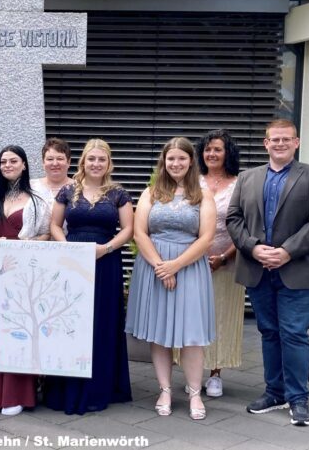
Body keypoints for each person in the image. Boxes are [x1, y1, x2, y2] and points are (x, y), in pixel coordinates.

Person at [227, 119, 309, 427]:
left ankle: (298, 398)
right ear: (265, 143)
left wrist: (287, 251)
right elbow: (234, 218)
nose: (280, 144)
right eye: (274, 139)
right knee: (269, 332)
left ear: (296, 142)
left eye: (286, 139)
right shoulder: (247, 178)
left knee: (294, 334)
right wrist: (253, 247)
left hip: (298, 268)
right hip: (257, 267)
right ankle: (274, 392)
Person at [125, 138, 216, 420]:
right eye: (171, 159)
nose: (176, 163)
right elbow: (139, 233)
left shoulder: (203, 194)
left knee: (191, 335)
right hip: (154, 267)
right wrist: (160, 266)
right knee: (159, 332)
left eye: (181, 159)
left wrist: (175, 266)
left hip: (189, 268)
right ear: (164, 162)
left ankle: (194, 392)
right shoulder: (150, 192)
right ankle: (164, 389)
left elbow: (207, 237)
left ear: (191, 162)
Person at [43, 138, 134, 415]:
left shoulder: (119, 193)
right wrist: (67, 249)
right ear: (83, 161)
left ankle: (99, 387)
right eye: (91, 159)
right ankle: (65, 386)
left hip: (105, 262)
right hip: (71, 263)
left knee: (101, 322)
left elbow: (128, 230)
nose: (96, 164)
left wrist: (105, 249)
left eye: (101, 159)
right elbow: (55, 225)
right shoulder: (68, 191)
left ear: (109, 163)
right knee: (70, 324)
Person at [0, 145, 51, 415]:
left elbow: (45, 234)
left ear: (24, 165)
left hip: (24, 266)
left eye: (13, 161)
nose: (7, 165)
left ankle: (15, 393)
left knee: (19, 327)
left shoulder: (37, 199)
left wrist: (25, 244)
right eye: (3, 161)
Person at [193, 130, 244, 398]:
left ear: (228, 153)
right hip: (192, 261)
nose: (212, 154)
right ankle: (192, 370)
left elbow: (246, 227)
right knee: (192, 316)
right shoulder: (192, 181)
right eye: (208, 149)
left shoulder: (240, 184)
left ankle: (215, 374)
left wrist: (225, 255)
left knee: (221, 317)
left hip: (227, 261)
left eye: (218, 149)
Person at [30, 137, 73, 203]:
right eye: (50, 159)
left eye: (60, 159)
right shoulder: (31, 187)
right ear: (43, 162)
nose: (55, 163)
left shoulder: (79, 187)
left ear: (68, 162)